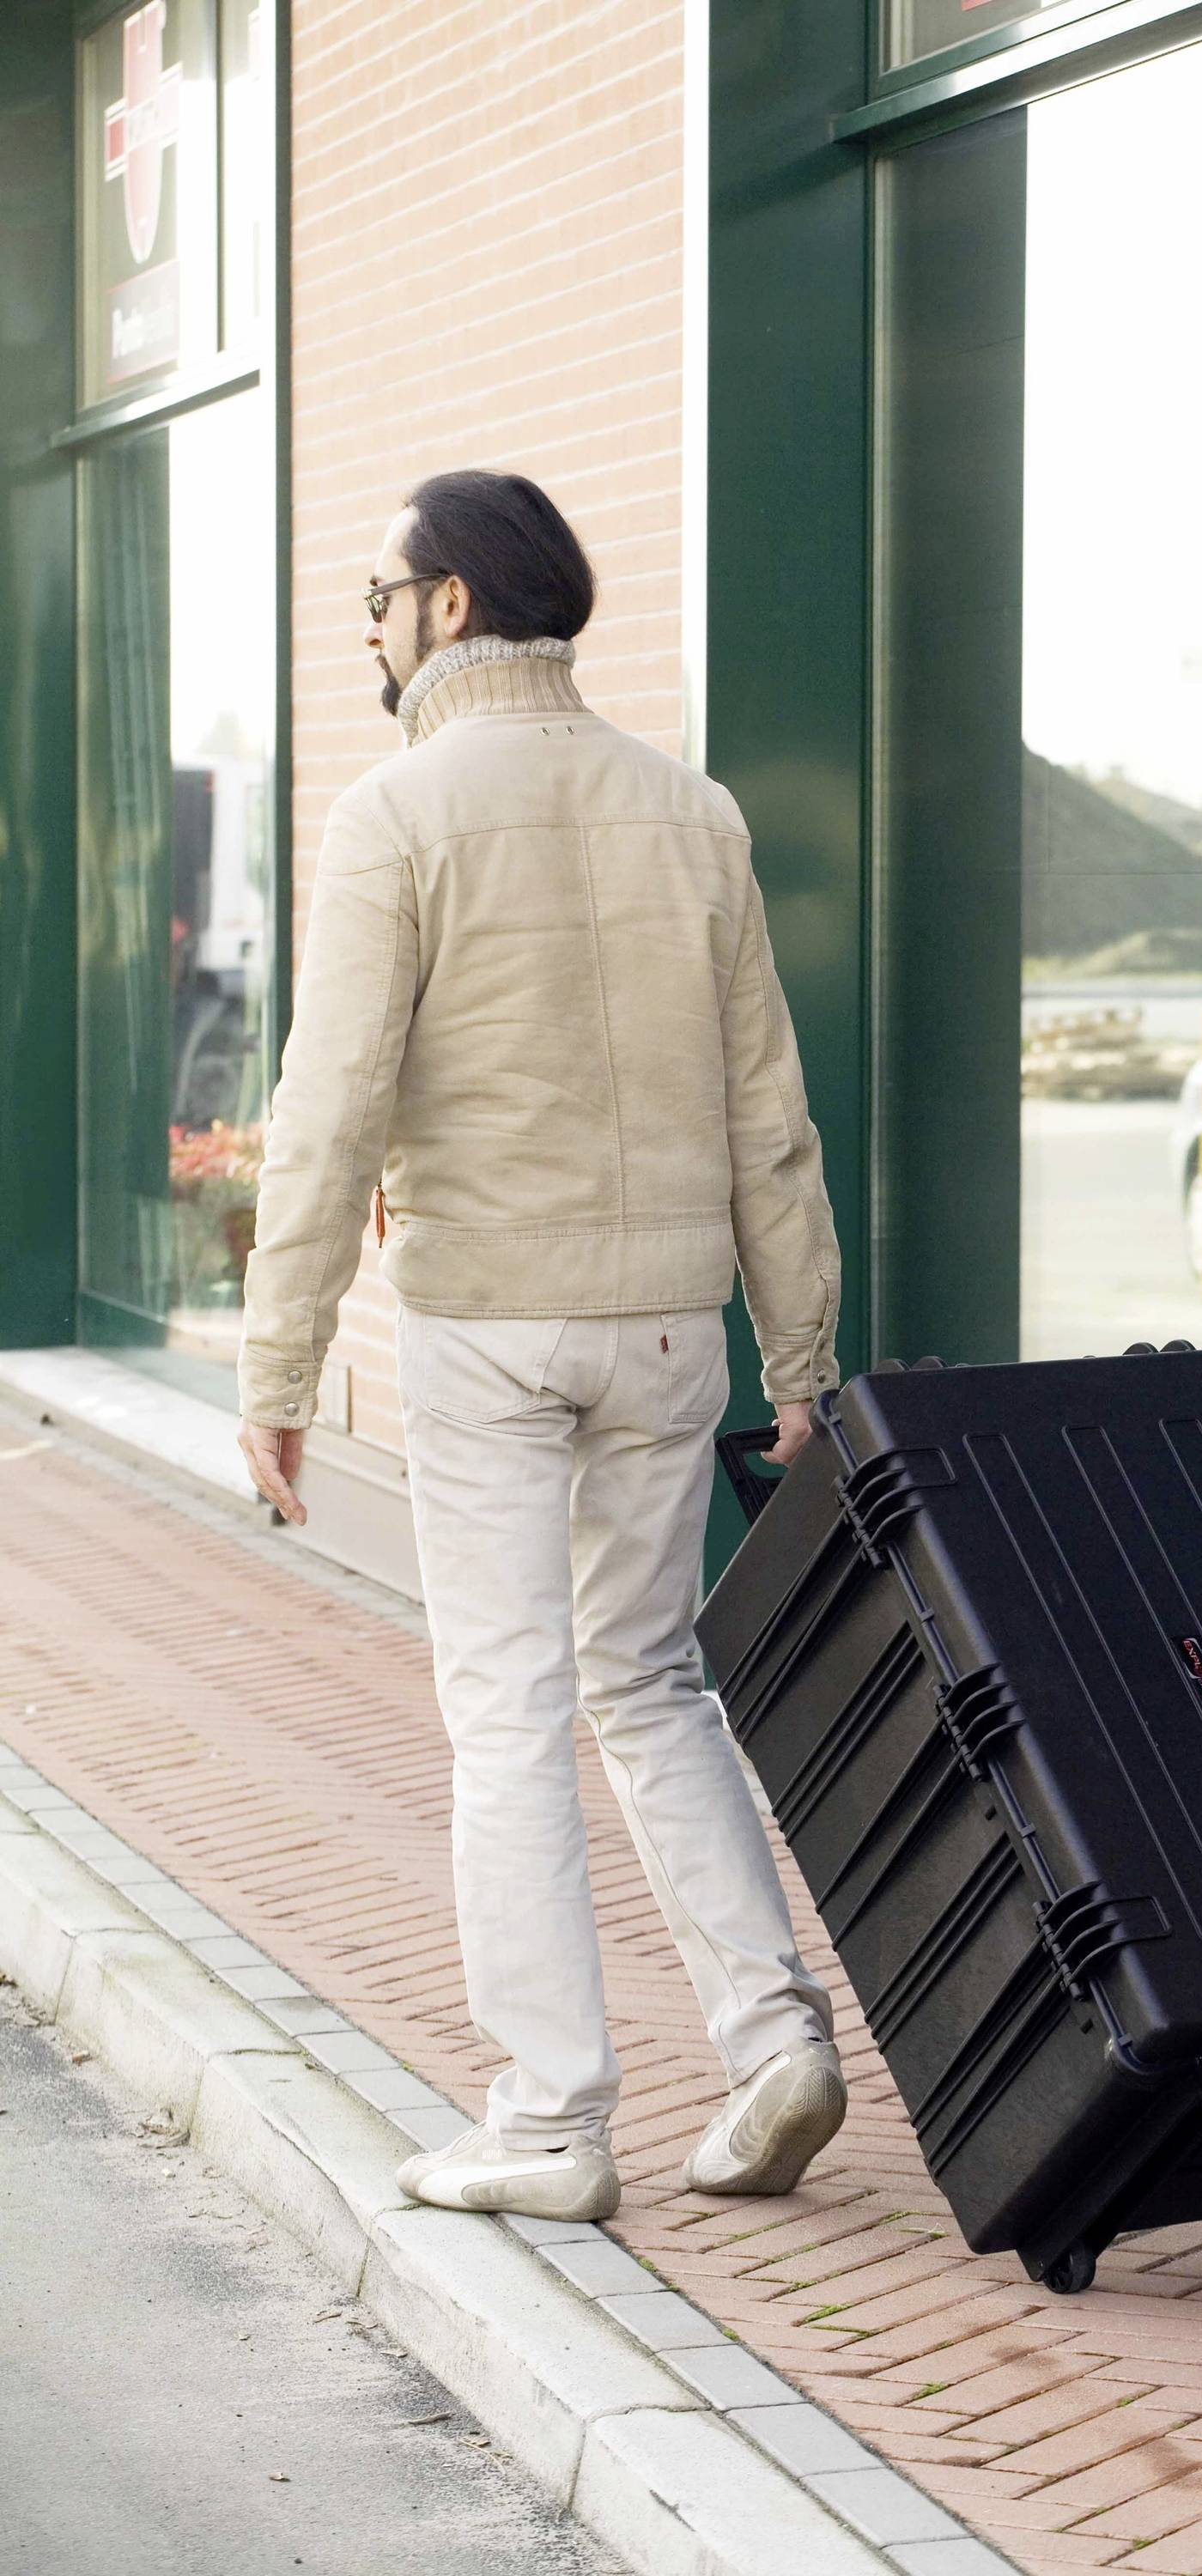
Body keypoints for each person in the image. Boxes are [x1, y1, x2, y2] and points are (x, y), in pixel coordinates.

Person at [236, 469, 846, 2223]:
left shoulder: (399, 812)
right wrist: (796, 1357)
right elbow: (769, 1119)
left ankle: (552, 2123)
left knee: (507, 1713)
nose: (363, 620)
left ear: (448, 605)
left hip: (491, 1326)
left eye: (378, 590)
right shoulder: (693, 813)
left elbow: (328, 1107)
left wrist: (276, 1376)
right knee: (650, 1685)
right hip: (669, 1329)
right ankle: (775, 2037)